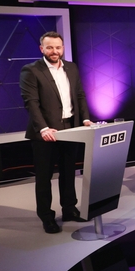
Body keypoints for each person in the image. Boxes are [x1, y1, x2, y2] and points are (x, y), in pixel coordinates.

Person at [20, 32, 93, 234]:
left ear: (63, 48)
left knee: (68, 172)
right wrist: (43, 128)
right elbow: (31, 103)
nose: (55, 51)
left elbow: (79, 94)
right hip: (46, 133)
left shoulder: (71, 67)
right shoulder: (31, 70)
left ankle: (69, 209)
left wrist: (85, 118)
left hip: (71, 128)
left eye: (58, 47)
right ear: (42, 49)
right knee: (44, 177)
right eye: (50, 47)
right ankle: (47, 217)